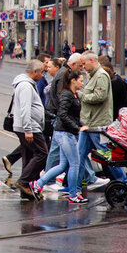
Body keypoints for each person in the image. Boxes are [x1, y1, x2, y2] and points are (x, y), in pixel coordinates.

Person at [31, 70, 89, 203]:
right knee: (75, 164)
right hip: (65, 133)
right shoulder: (67, 95)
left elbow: (72, 115)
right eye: (80, 80)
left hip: (66, 133)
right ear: (73, 81)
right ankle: (73, 194)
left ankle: (38, 184)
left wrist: (81, 125)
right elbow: (62, 114)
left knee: (63, 165)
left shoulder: (72, 95)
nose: (82, 83)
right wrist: (78, 128)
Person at [76, 52, 117, 188]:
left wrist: (80, 95)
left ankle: (122, 181)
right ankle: (75, 185)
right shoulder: (93, 75)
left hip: (98, 124)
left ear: (92, 61)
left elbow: (100, 96)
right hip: (89, 124)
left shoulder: (101, 76)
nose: (82, 67)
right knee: (79, 155)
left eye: (84, 64)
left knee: (105, 155)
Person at [12, 60, 48, 200]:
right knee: (42, 154)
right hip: (29, 126)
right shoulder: (26, 86)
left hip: (27, 126)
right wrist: (28, 129)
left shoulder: (26, 84)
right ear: (34, 72)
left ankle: (27, 190)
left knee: (28, 156)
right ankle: (24, 181)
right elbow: (25, 108)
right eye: (42, 72)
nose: (43, 75)